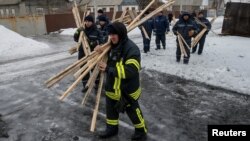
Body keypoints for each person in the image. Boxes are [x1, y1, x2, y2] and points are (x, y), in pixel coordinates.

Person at [95, 22, 147, 141]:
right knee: (111, 111)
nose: (111, 37)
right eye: (110, 34)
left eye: (114, 34)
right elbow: (104, 54)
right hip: (112, 87)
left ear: (121, 34)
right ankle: (111, 129)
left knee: (133, 112)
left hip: (126, 90)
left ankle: (141, 131)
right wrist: (99, 49)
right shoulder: (111, 46)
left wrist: (108, 68)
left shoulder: (132, 49)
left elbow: (130, 71)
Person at [73, 15, 103, 92]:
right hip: (82, 52)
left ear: (92, 22)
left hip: (93, 53)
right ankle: (85, 85)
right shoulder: (82, 30)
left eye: (89, 21)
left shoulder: (97, 31)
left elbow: (102, 41)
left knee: (95, 68)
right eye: (86, 21)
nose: (87, 23)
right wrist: (77, 32)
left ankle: (97, 84)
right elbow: (76, 39)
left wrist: (95, 43)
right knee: (83, 69)